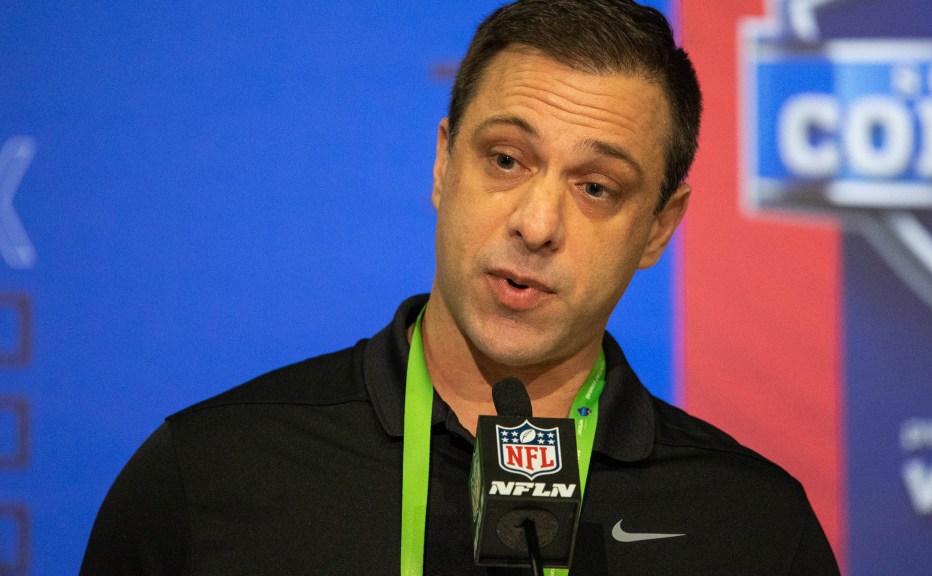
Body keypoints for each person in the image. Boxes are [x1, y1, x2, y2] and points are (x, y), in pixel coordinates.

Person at [81, 0, 840, 574]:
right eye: (506, 159)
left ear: (657, 228)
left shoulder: (754, 528)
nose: (537, 224)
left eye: (596, 187)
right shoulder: (209, 471)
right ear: (444, 164)